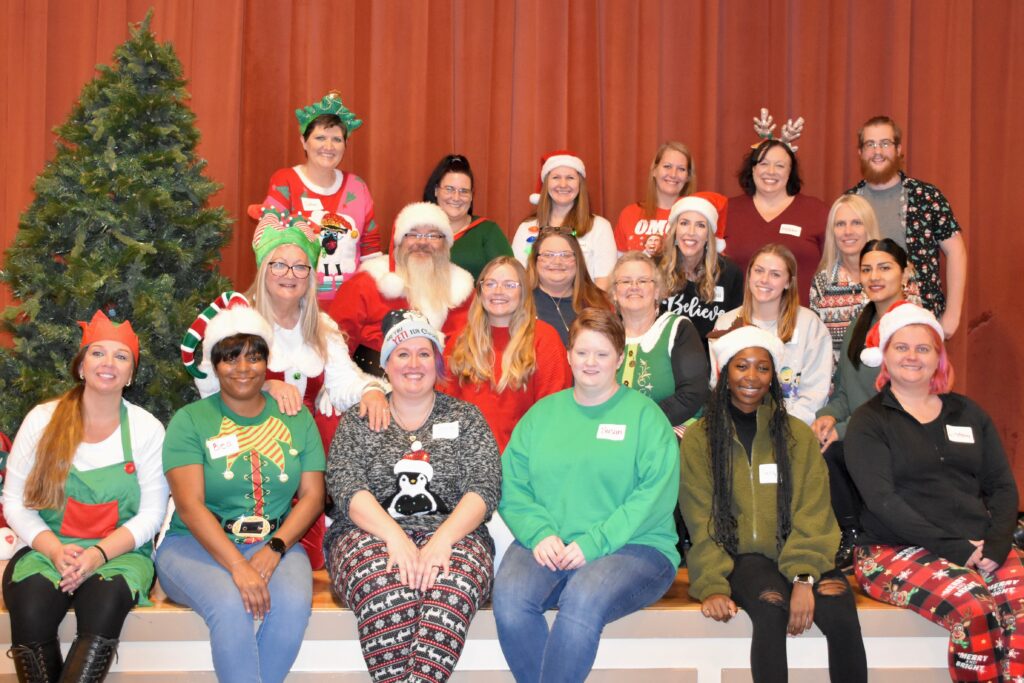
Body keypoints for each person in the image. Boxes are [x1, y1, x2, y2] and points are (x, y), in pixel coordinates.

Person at [180, 211, 387, 569]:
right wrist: (263, 385)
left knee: (306, 558)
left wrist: (370, 390)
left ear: (311, 275)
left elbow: (343, 382)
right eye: (279, 265)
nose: (289, 275)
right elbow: (211, 387)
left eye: (300, 267)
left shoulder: (321, 326)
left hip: (308, 452)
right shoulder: (237, 321)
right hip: (247, 447)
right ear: (263, 268)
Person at [494, 308, 680, 683]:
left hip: (636, 547)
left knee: (581, 598)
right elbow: (511, 483)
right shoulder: (542, 415)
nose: (590, 362)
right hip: (548, 543)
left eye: (602, 353)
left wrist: (595, 543)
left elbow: (652, 496)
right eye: (582, 352)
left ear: (620, 357)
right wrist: (540, 532)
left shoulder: (646, 418)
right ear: (568, 355)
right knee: (511, 600)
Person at [845, 303, 1022, 681]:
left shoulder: (968, 414)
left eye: (923, 348)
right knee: (976, 608)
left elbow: (1003, 486)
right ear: (885, 357)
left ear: (938, 358)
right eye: (901, 347)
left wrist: (996, 543)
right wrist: (958, 550)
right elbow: (883, 501)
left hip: (977, 544)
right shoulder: (868, 422)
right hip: (891, 550)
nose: (912, 356)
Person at [680, 325, 867, 683]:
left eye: (763, 368)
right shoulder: (700, 440)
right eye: (742, 366)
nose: (752, 376)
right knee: (770, 607)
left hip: (799, 551)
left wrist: (803, 577)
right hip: (741, 557)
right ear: (724, 372)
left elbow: (814, 512)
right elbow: (700, 519)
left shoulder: (796, 434)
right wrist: (713, 585)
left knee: (841, 609)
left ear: (773, 377)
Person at [324, 309, 501, 683]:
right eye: (402, 354)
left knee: (450, 588)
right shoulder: (358, 419)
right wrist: (396, 538)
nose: (414, 363)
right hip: (368, 536)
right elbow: (345, 485)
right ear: (386, 364)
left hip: (455, 535)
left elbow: (484, 488)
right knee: (388, 589)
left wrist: (441, 540)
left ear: (437, 363)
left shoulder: (466, 417)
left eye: (424, 354)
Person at [156, 300, 325, 683]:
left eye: (254, 357)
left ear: (267, 362)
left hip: (276, 541)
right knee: (231, 606)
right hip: (194, 546)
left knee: (294, 606)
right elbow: (189, 504)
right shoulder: (191, 421)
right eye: (230, 358)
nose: (243, 369)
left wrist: (276, 548)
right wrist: (237, 566)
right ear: (214, 365)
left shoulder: (296, 418)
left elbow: (313, 496)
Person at [2, 311, 168, 683]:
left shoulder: (146, 429)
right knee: (29, 606)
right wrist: (55, 550)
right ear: (81, 365)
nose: (108, 363)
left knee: (106, 606)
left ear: (131, 374)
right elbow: (13, 501)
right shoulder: (42, 420)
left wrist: (97, 554)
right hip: (47, 550)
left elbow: (152, 514)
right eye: (98, 353)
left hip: (118, 555)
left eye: (121, 356)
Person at [811, 239, 915, 569]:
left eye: (884, 267)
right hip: (859, 428)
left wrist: (844, 430)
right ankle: (847, 531)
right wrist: (828, 417)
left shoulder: (914, 326)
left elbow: (901, 400)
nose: (874, 276)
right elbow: (844, 389)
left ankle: (858, 534)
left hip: (900, 431)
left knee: (838, 449)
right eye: (867, 269)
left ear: (905, 272)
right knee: (817, 444)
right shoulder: (859, 321)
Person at [846, 115, 967, 337]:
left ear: (899, 149)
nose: (877, 151)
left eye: (885, 143)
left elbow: (956, 251)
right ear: (860, 152)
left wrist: (952, 315)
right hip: (862, 323)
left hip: (920, 319)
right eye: (870, 144)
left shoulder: (926, 197)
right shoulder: (849, 202)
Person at [329, 201, 475, 376]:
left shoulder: (461, 292)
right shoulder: (368, 282)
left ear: (446, 245)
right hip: (371, 385)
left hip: (440, 390)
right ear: (398, 241)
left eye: (433, 236)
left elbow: (465, 350)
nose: (422, 242)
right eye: (412, 234)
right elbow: (335, 341)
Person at [260, 91, 380, 300]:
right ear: (304, 141)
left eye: (336, 139)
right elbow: (269, 239)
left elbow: (370, 246)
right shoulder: (285, 181)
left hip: (350, 304)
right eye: (320, 137)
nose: (328, 146)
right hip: (296, 303)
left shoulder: (357, 187)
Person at [443, 256, 571, 452]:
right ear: (480, 291)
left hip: (520, 462)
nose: (498, 291)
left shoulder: (544, 339)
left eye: (509, 285)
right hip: (466, 462)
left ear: (524, 292)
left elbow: (552, 414)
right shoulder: (460, 339)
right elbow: (444, 408)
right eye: (490, 283)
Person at [713, 244, 832, 425]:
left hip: (791, 428)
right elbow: (718, 385)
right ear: (749, 275)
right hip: (737, 426)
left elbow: (814, 395)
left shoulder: (810, 325)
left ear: (788, 282)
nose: (765, 279)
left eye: (775, 274)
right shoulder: (725, 324)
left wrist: (779, 428)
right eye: (759, 271)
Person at [611, 251, 708, 436]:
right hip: (615, 434)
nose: (634, 287)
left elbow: (692, 394)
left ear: (656, 291)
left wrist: (637, 422)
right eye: (625, 281)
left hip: (669, 434)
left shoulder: (678, 328)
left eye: (643, 280)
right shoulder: (604, 334)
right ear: (615, 293)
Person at [726, 139, 827, 306]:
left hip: (801, 322)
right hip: (740, 323)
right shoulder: (727, 211)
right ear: (753, 169)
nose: (771, 171)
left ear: (790, 172)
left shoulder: (816, 211)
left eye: (780, 166)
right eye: (764, 164)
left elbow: (834, 266)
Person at [511, 150, 617, 289]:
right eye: (556, 177)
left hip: (584, 309)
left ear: (580, 184)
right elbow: (517, 278)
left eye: (570, 178)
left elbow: (604, 284)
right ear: (546, 184)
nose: (563, 184)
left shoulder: (600, 227)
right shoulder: (526, 229)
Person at [659, 194, 744, 346]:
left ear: (708, 235)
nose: (691, 232)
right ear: (674, 230)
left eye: (700, 225)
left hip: (711, 362)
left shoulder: (730, 273)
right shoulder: (655, 268)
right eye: (684, 223)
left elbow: (736, 329)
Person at [422, 154, 513, 279]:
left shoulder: (488, 231)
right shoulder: (416, 229)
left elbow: (510, 279)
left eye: (464, 191)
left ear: (471, 195)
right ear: (436, 190)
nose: (456, 197)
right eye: (449, 189)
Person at [525, 228, 609, 348]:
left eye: (566, 255)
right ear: (534, 260)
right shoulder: (519, 303)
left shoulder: (600, 302)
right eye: (548, 255)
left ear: (577, 260)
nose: (557, 261)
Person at [613, 141, 695, 255]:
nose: (673, 174)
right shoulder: (629, 214)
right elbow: (619, 264)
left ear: (688, 177)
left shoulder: (696, 218)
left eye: (681, 169)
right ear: (654, 171)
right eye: (667, 166)